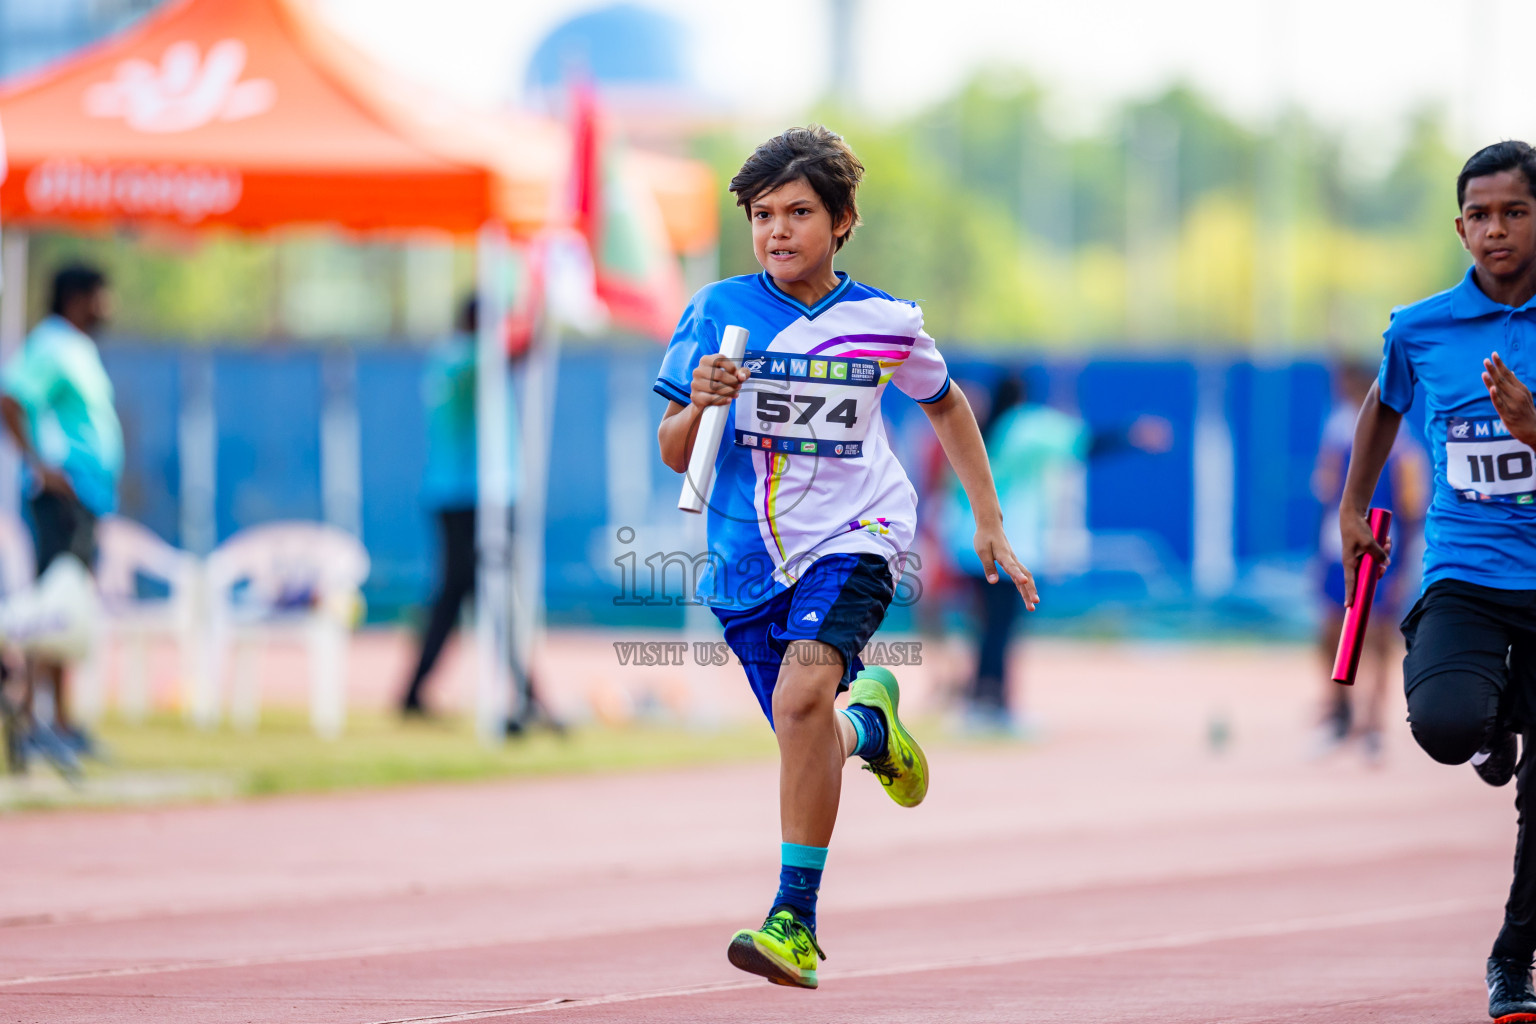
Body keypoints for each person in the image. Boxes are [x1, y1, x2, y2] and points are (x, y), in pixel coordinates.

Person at [655, 125, 1036, 990]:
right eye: (762, 215)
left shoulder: (885, 323)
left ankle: (794, 921)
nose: (777, 231)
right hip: (747, 558)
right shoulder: (717, 313)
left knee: (799, 694)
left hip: (858, 537)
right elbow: (676, 449)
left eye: (797, 212)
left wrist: (986, 518)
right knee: (808, 729)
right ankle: (872, 726)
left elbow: (947, 408)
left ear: (842, 221)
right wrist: (700, 403)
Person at [1340, 140, 1536, 1022]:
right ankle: (1494, 721)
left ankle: (1512, 961)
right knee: (1446, 726)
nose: (1496, 230)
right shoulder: (1419, 328)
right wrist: (1354, 507)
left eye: (1515, 212)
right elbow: (1382, 406)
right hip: (1467, 570)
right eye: (1480, 216)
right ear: (1460, 226)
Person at [941, 372, 1170, 734]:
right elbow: (1084, 443)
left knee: (987, 625)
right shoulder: (1026, 427)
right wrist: (1133, 435)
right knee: (1002, 626)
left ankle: (979, 699)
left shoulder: (983, 430)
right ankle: (993, 705)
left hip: (967, 544)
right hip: (1009, 546)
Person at [398, 296, 554, 734]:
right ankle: (526, 694)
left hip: (451, 493)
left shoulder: (446, 357)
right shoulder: (472, 359)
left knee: (455, 595)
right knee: (491, 591)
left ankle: (415, 692)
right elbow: (521, 346)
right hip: (477, 496)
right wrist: (544, 300)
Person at [0, 263, 122, 765]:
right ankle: (32, 718)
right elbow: (11, 396)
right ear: (79, 297)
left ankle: (59, 719)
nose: (108, 307)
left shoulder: (78, 347)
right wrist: (39, 464)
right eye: (102, 295)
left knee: (69, 606)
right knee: (53, 604)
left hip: (85, 496)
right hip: (61, 498)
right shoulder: (50, 345)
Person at [1311, 361, 1427, 763]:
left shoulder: (1404, 446)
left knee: (1377, 637)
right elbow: (1326, 497)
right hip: (1337, 546)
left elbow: (1413, 510)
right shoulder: (1336, 434)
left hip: (1383, 546)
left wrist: (1404, 564)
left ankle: (1374, 724)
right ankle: (1340, 711)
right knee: (1329, 631)